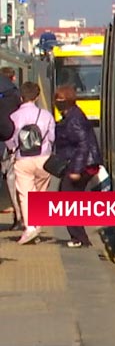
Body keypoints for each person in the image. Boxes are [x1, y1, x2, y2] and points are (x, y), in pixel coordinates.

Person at [52, 85, 103, 248]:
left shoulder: (74, 118)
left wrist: (76, 170)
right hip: (79, 164)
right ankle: (79, 237)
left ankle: (79, 238)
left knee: (68, 200)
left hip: (81, 165)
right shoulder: (72, 115)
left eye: (61, 100)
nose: (58, 103)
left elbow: (83, 145)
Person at [7, 81, 55, 245]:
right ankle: (37, 224)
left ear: (21, 97)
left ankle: (31, 227)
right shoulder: (46, 115)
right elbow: (52, 138)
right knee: (40, 193)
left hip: (23, 159)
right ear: (36, 97)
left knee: (26, 194)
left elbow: (10, 139)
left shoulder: (14, 117)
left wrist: (14, 149)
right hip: (44, 160)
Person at [0, 67, 21, 230]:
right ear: (12, 78)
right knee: (16, 181)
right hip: (9, 143)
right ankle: (21, 218)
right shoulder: (13, 94)